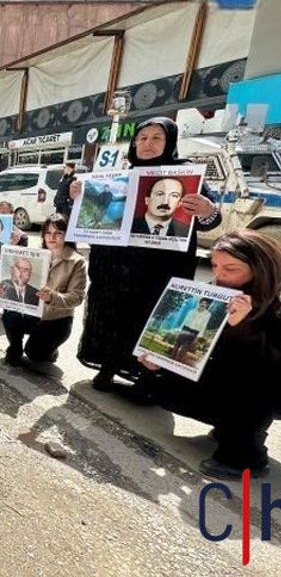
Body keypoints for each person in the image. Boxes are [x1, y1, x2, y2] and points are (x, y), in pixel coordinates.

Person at [69, 117, 221, 393]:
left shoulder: (185, 174)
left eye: (156, 138)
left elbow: (211, 218)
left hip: (159, 269)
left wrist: (208, 210)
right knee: (115, 317)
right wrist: (79, 194)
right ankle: (109, 366)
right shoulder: (122, 174)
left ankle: (147, 378)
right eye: (143, 138)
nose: (148, 144)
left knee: (153, 318)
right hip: (118, 269)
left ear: (170, 142)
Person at [137, 229, 281, 479]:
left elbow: (266, 369)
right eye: (215, 265)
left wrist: (244, 328)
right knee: (158, 383)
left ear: (259, 269)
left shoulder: (274, 308)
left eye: (231, 269)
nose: (219, 274)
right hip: (225, 377)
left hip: (264, 390)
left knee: (251, 391)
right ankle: (230, 428)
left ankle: (248, 456)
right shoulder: (212, 294)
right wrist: (159, 361)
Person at [0, 214, 87, 367]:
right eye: (48, 232)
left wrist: (52, 297)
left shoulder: (77, 261)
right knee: (10, 313)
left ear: (67, 234)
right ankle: (15, 348)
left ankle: (50, 349)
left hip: (57, 319)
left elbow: (77, 297)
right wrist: (3, 288)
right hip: (33, 313)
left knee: (35, 355)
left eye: (58, 233)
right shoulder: (37, 255)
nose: (52, 237)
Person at [169, 298, 212, 362]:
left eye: (205, 304)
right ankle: (170, 359)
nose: (203, 304)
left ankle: (176, 362)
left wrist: (198, 337)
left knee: (184, 349)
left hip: (193, 332)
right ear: (199, 303)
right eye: (202, 303)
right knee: (177, 346)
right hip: (185, 329)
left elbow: (203, 325)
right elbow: (185, 321)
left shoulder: (207, 314)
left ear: (207, 305)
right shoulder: (192, 311)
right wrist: (180, 330)